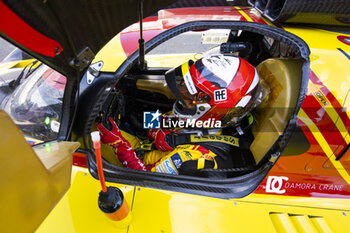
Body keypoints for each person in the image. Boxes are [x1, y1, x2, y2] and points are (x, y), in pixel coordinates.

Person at [98, 54, 269, 175]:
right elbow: (167, 122)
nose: (183, 95)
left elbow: (141, 177)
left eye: (191, 96)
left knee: (90, 146)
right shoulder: (200, 118)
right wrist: (133, 116)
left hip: (135, 164)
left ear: (213, 109)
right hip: (142, 148)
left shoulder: (194, 156)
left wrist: (119, 143)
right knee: (100, 124)